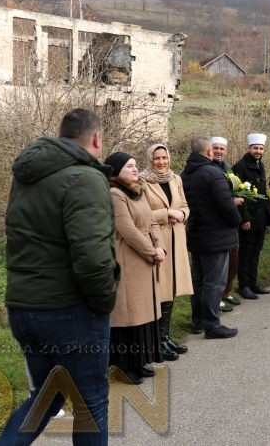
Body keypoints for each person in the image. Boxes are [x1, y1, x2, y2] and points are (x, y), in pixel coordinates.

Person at [0, 108, 118, 445]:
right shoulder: (86, 178)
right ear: (96, 138)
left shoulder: (26, 175)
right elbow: (93, 259)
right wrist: (104, 303)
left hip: (23, 305)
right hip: (70, 309)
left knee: (47, 398)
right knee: (89, 404)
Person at [105, 152, 165, 384]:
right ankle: (124, 366)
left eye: (135, 165)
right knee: (128, 313)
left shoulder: (138, 190)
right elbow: (126, 229)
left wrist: (160, 247)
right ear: (116, 170)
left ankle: (139, 361)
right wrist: (151, 251)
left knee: (142, 313)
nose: (134, 169)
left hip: (146, 256)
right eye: (129, 166)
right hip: (128, 257)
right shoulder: (115, 193)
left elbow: (151, 221)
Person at [181, 136, 242, 338]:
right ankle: (212, 324)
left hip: (196, 234)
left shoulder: (184, 174)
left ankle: (198, 321)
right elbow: (225, 205)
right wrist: (236, 219)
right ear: (208, 152)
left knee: (198, 280)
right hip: (216, 235)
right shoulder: (213, 173)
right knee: (214, 282)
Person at [141, 144, 192, 362]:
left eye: (164, 157)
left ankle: (165, 336)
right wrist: (166, 213)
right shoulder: (142, 181)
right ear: (149, 160)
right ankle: (156, 341)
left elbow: (186, 205)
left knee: (171, 290)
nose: (161, 162)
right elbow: (141, 212)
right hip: (158, 240)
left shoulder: (176, 179)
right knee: (159, 291)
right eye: (157, 158)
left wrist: (181, 213)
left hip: (177, 240)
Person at [232, 133, 270, 299]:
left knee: (256, 251)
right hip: (249, 218)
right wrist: (244, 218)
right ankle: (243, 286)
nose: (258, 151)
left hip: (261, 216)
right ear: (249, 148)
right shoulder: (240, 166)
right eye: (255, 148)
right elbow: (239, 194)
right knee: (245, 252)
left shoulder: (260, 165)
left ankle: (253, 283)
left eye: (260, 148)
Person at [207, 136, 242, 312]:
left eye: (222, 149)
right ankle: (218, 297)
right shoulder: (209, 169)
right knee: (219, 265)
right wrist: (231, 201)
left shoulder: (227, 168)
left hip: (231, 222)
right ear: (209, 149)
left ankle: (227, 292)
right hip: (218, 223)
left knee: (233, 261)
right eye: (216, 148)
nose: (219, 151)